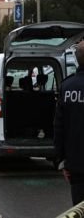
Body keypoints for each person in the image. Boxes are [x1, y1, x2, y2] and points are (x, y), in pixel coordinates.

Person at [54, 41, 84, 206]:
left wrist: (61, 160)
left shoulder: (67, 87)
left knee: (79, 209)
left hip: (76, 164)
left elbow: (59, 127)